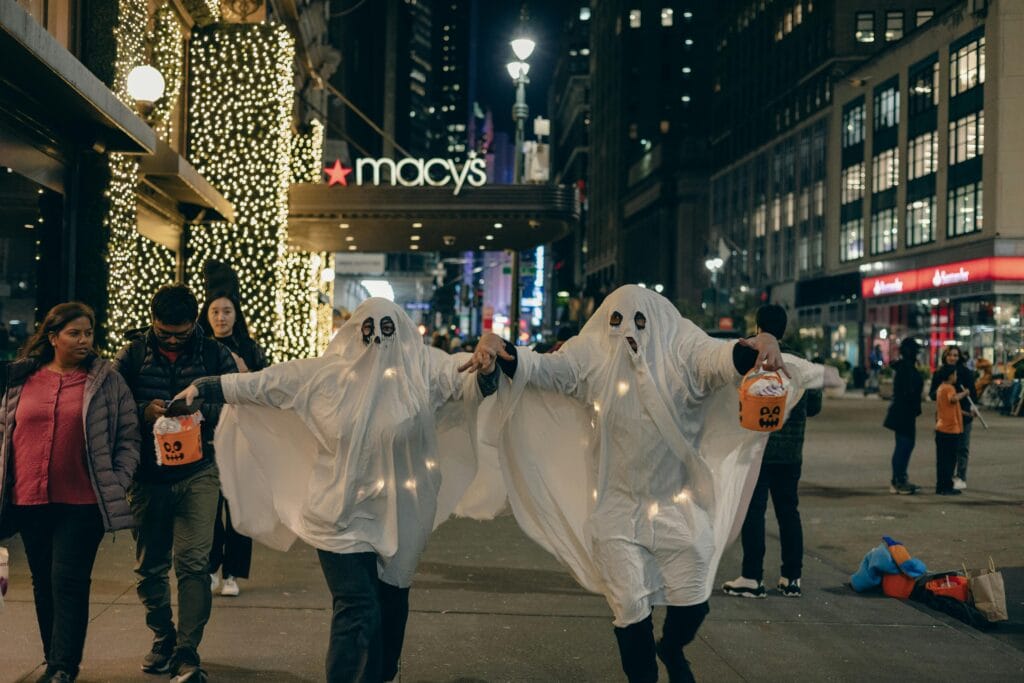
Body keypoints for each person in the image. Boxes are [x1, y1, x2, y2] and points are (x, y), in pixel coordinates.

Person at [463, 286, 841, 683]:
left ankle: (673, 647)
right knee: (629, 607)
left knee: (694, 600)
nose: (627, 332)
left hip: (677, 507)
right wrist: (496, 345)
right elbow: (539, 368)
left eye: (638, 322)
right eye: (617, 321)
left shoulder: (684, 353)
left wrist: (761, 343)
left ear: (656, 321)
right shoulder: (592, 357)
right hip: (616, 510)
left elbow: (725, 358)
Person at [174, 298, 489, 683]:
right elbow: (266, 383)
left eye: (387, 330)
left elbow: (467, 376)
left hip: (401, 514)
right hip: (338, 515)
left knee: (390, 606)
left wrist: (491, 361)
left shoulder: (423, 370)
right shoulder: (325, 377)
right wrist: (208, 387)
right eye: (368, 330)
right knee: (357, 607)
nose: (377, 341)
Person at [0, 302, 140, 683]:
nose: (84, 340)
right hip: (29, 498)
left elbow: (129, 437)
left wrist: (117, 479)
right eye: (74, 333)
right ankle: (53, 660)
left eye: (88, 333)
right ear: (53, 337)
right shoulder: (21, 379)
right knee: (43, 582)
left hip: (83, 502)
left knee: (68, 580)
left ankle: (64, 667)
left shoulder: (106, 381)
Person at [114, 284, 238, 683]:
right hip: (147, 476)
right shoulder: (132, 353)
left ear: (193, 325)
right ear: (152, 321)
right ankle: (162, 638)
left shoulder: (214, 354)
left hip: (199, 472)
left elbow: (238, 402)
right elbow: (108, 404)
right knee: (150, 566)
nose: (170, 340)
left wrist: (203, 409)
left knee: (193, 564)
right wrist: (141, 411)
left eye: (180, 334)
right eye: (163, 332)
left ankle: (187, 648)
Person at [721, 304, 822, 600]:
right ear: (784, 330)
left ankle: (752, 577)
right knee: (789, 511)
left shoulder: (750, 358)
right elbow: (814, 407)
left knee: (754, 512)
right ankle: (792, 578)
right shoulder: (803, 363)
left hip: (756, 449)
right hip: (791, 452)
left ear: (757, 327)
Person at [199, 291, 268, 597]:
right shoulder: (200, 348)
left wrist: (244, 372)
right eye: (215, 312)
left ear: (236, 315)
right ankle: (212, 567)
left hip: (241, 435)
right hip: (207, 435)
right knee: (209, 506)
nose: (221, 318)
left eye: (227, 311)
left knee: (238, 504)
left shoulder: (250, 348)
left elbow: (262, 388)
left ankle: (233, 573)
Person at [928, 347, 977, 490]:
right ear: (945, 356)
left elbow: (973, 393)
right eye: (950, 355)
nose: (953, 358)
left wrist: (971, 407)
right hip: (946, 417)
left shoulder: (966, 372)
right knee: (947, 451)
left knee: (962, 448)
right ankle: (947, 479)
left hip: (964, 416)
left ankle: (960, 476)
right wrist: (942, 392)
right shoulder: (940, 373)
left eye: (956, 355)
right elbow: (933, 394)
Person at [883, 338, 924, 495]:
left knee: (905, 445)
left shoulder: (905, 367)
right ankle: (898, 480)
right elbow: (908, 391)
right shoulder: (906, 368)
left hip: (904, 412)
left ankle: (900, 478)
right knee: (904, 446)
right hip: (904, 412)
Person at [933, 365, 970, 496]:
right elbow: (953, 399)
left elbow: (953, 407)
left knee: (943, 460)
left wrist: (967, 414)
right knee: (949, 461)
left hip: (942, 429)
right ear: (950, 376)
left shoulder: (941, 388)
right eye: (955, 374)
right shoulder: (948, 388)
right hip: (949, 429)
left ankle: (942, 485)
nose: (956, 377)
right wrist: (965, 393)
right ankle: (945, 486)